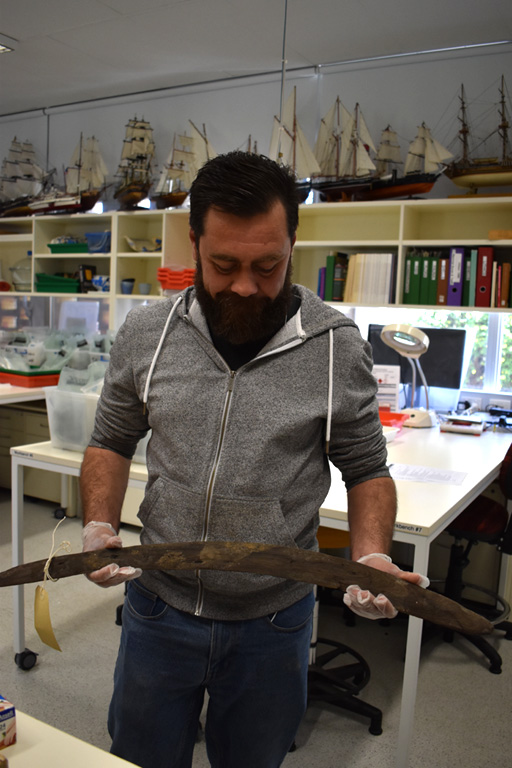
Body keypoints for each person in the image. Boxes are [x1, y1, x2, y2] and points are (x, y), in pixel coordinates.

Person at [79, 150, 428, 768]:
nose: (245, 285)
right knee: (140, 757)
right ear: (194, 245)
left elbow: (367, 467)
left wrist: (370, 555)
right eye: (224, 264)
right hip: (158, 606)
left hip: (274, 620)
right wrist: (99, 523)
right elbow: (110, 438)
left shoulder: (335, 347)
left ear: (294, 243)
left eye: (268, 265)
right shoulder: (147, 333)